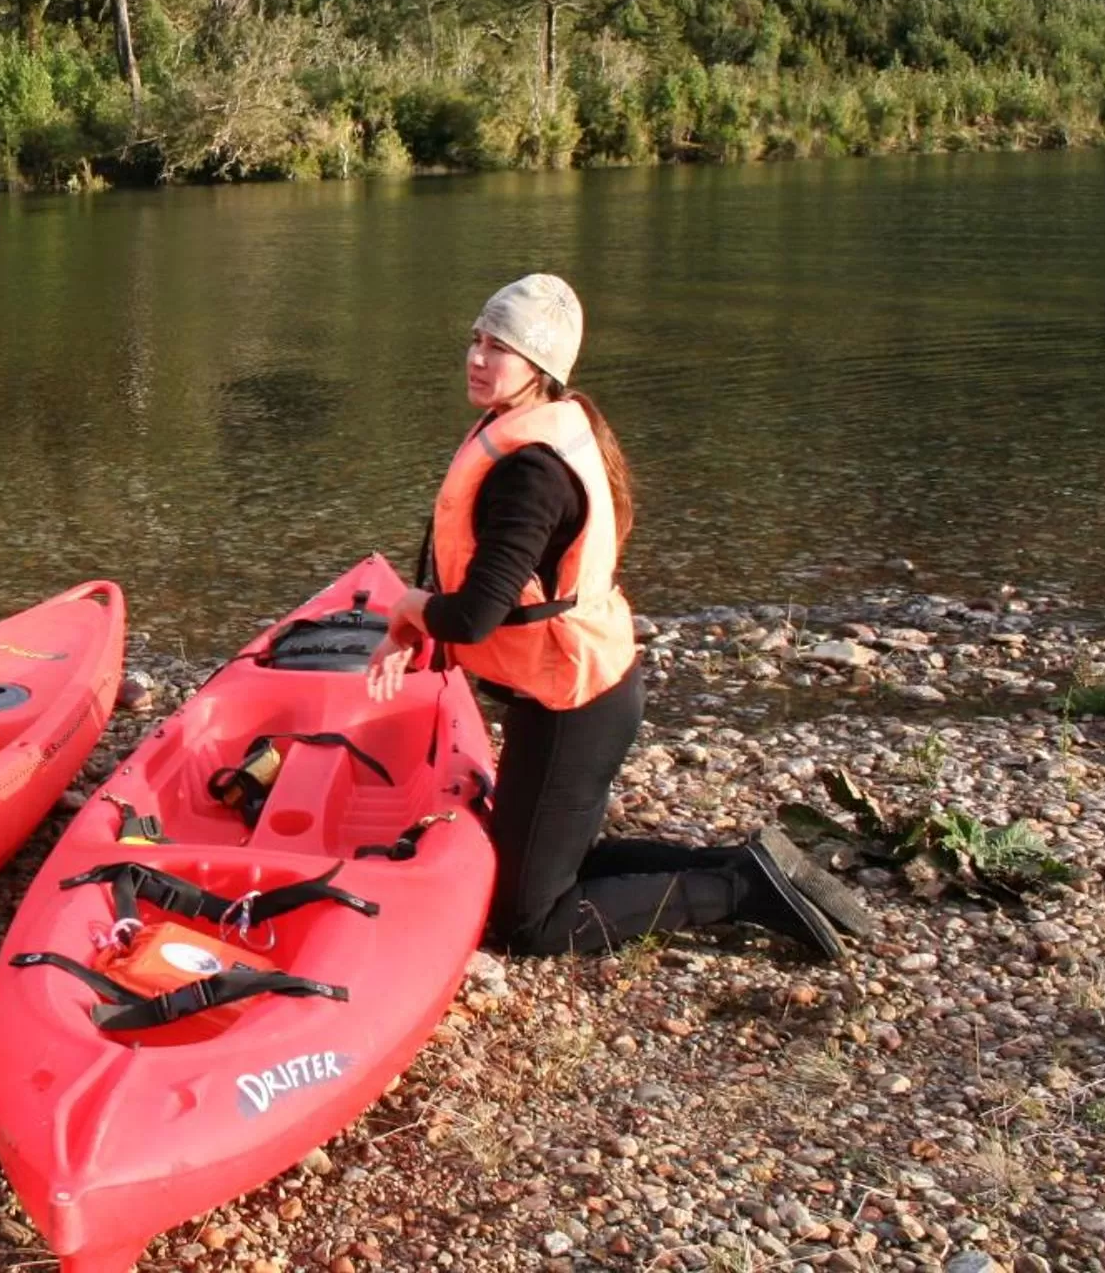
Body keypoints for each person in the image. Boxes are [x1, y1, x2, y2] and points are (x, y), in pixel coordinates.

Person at [365, 274, 875, 960]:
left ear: (541, 368)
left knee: (527, 925)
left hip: (576, 699)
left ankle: (741, 892)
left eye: (501, 348)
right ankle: (747, 863)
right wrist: (421, 621)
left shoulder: (531, 469)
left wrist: (407, 609)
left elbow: (476, 615)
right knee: (548, 865)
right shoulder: (528, 426)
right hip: (578, 683)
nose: (478, 359)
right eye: (477, 340)